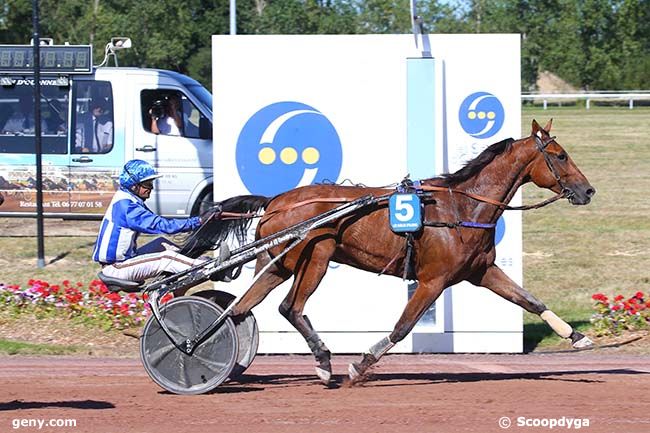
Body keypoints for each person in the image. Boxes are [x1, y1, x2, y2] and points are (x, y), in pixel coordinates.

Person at [93, 159, 205, 283]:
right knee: (167, 258)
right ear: (134, 185)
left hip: (123, 262)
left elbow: (160, 222)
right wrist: (198, 221)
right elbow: (163, 226)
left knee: (161, 243)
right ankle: (206, 268)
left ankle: (194, 263)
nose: (151, 188)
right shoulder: (128, 206)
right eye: (147, 184)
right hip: (117, 268)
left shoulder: (127, 198)